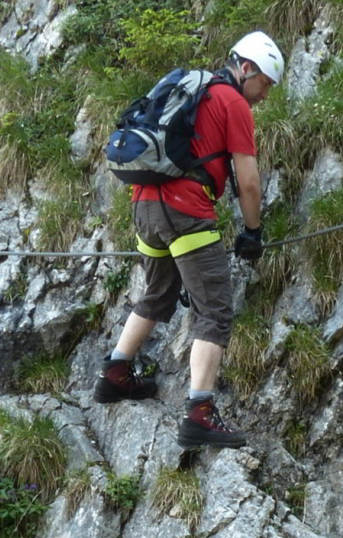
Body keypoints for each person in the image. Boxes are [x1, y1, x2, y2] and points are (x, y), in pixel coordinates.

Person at [93, 31, 285, 449]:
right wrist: (252, 232)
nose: (264, 95)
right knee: (214, 310)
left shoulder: (192, 86)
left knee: (158, 293)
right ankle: (200, 413)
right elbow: (248, 183)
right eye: (265, 84)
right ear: (247, 68)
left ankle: (116, 373)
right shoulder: (233, 102)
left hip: (145, 205)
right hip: (186, 212)